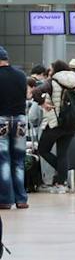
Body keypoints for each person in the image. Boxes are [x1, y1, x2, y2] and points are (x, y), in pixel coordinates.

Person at [38, 65, 75, 193]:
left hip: (55, 123)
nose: (49, 71)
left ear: (56, 70)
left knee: (42, 149)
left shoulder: (51, 82)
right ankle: (62, 182)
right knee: (63, 154)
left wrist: (42, 103)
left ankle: (63, 175)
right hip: (71, 124)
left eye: (51, 69)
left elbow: (36, 92)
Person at [0, 48, 27, 210]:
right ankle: (21, 199)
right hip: (20, 120)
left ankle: (5, 199)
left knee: (3, 160)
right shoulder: (21, 75)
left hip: (1, 119)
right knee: (19, 161)